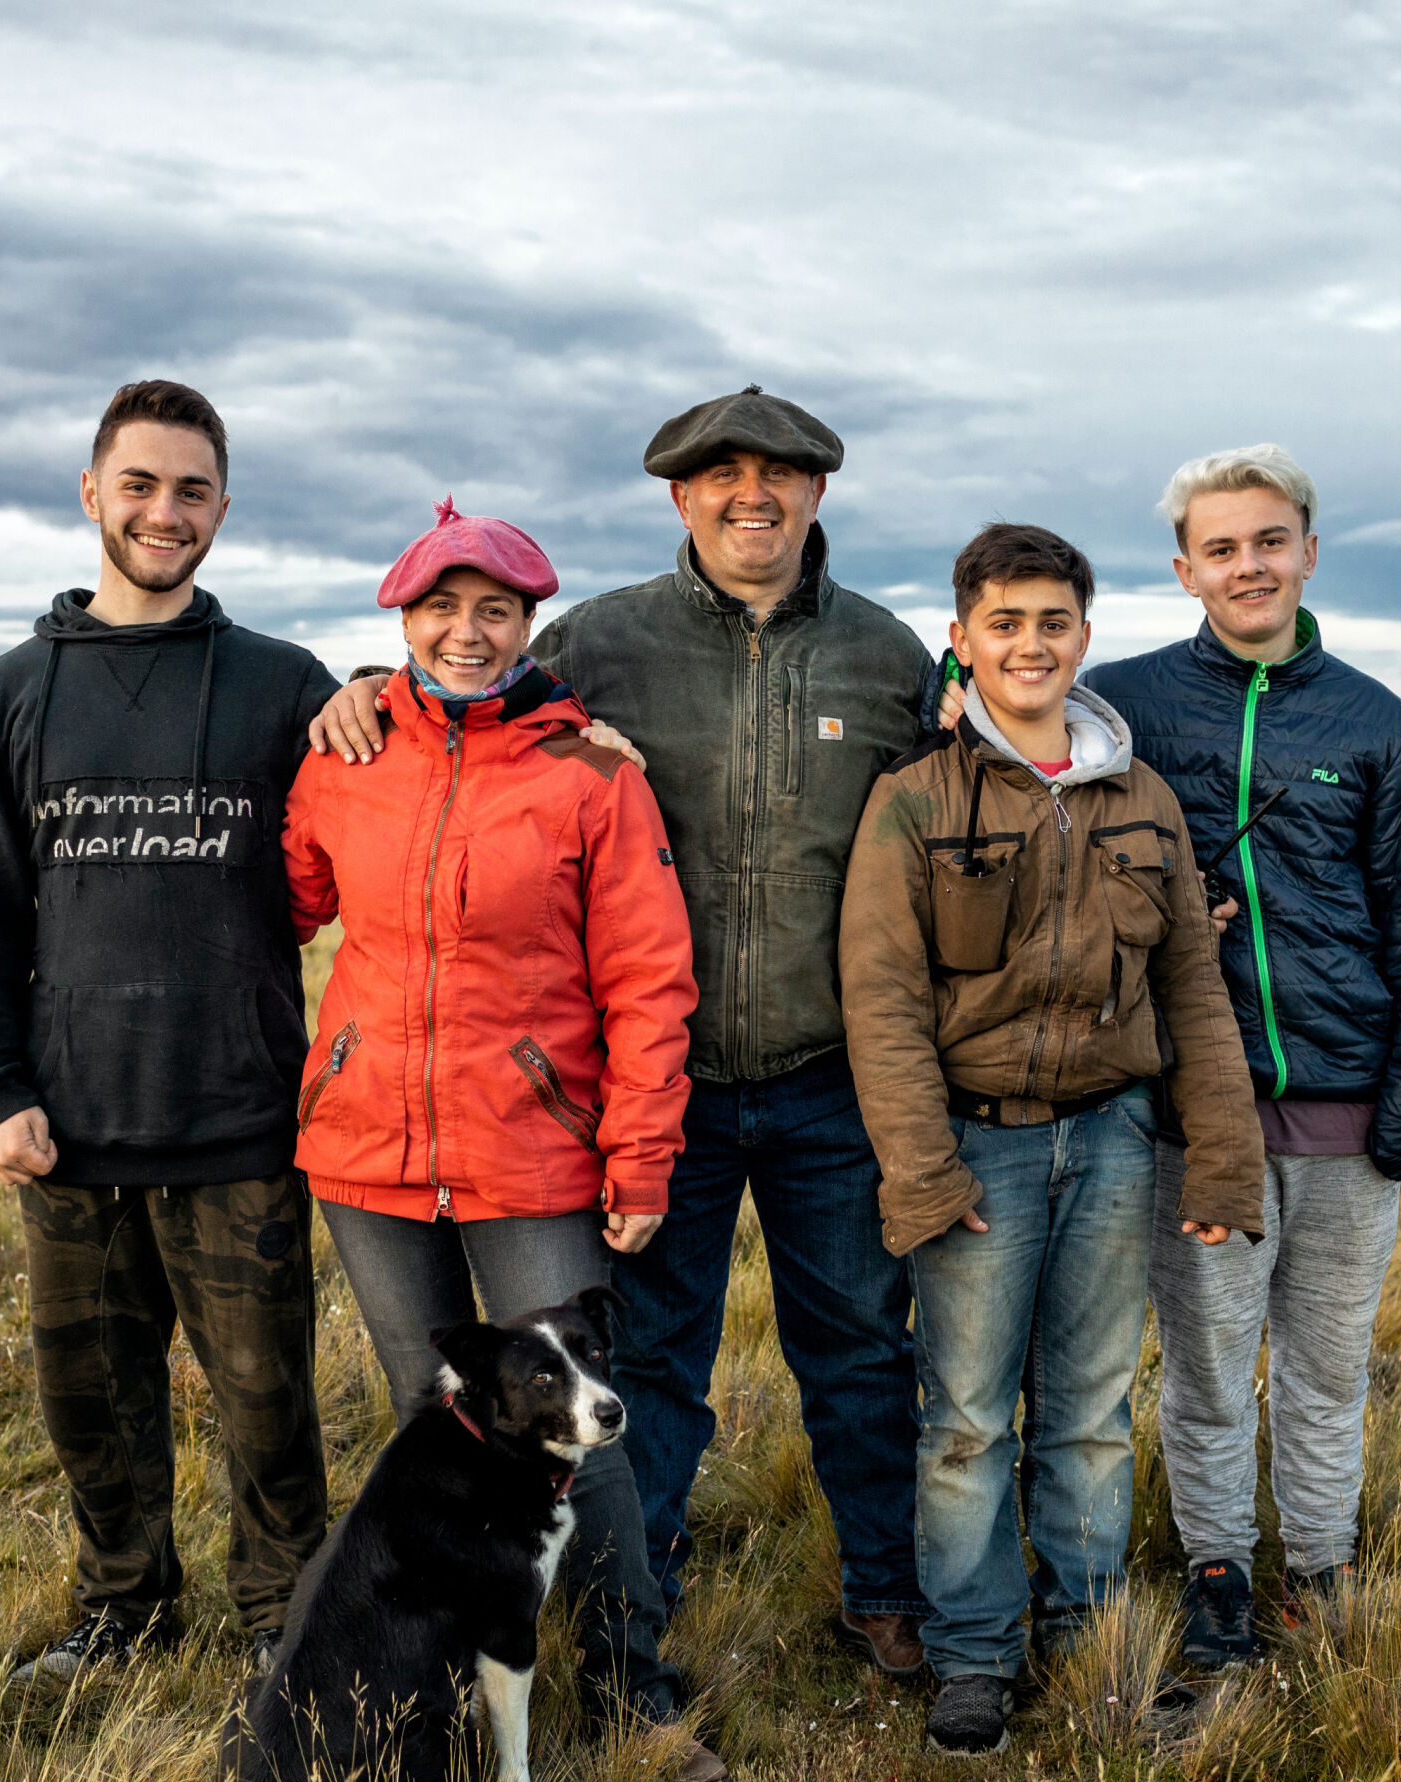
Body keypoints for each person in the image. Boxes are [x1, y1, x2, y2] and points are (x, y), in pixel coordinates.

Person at [308, 388, 938, 1677]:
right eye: (723, 475)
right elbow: (471, 704)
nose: (752, 494)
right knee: (647, 1368)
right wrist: (367, 689)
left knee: (864, 1355)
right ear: (681, 496)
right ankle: (642, 1606)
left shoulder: (885, 658)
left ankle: (884, 1591)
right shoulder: (599, 641)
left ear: (819, 491)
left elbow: (951, 817)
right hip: (658, 1091)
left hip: (829, 1079)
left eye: (780, 473)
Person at [281, 499, 725, 1782]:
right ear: (403, 620)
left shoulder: (591, 773)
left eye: (495, 610)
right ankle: (437, 1686)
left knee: (582, 1432)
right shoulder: (349, 755)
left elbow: (650, 978)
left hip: (532, 1155)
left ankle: (635, 1689)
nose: (466, 633)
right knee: (437, 1429)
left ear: (531, 622)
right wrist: (334, 711)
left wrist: (640, 1154)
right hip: (369, 1153)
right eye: (441, 610)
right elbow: (294, 896)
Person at [842, 523, 1264, 1755]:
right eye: (1005, 623)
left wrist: (1222, 1157)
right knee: (968, 1420)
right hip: (977, 1152)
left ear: (1085, 635)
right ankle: (975, 1654)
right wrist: (924, 1172)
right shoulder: (915, 799)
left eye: (1053, 622)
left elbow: (1192, 988)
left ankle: (1087, 1640)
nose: (1031, 644)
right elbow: (881, 999)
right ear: (962, 639)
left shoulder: (1142, 798)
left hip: (1115, 1143)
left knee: (1088, 1411)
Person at [0, 379, 340, 1681]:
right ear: (91, 494)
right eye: (140, 484)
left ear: (222, 508)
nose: (165, 512)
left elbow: (419, 777)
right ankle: (122, 1611)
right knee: (94, 1404)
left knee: (269, 1403)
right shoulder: (10, 694)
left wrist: (551, 720)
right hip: (72, 1132)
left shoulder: (283, 685)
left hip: (239, 1123)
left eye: (192, 490)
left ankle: (284, 1621)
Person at [1082, 445, 1401, 1668]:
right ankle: (1217, 1572)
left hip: (1353, 1120)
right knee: (1205, 1368)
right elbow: (1007, 751)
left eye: (1268, 541)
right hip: (1200, 1120)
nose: (1248, 565)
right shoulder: (1122, 704)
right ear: (1184, 570)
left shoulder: (1374, 719)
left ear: (1308, 550)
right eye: (1221, 547)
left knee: (1327, 1369)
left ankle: (1320, 1564)